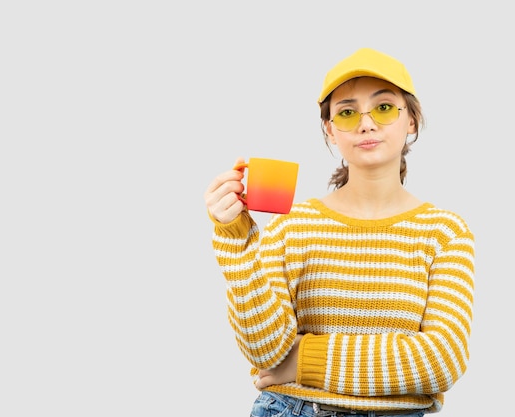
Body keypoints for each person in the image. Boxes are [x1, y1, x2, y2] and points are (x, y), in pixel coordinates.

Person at [203, 48, 475, 417]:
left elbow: (441, 361)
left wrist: (302, 361)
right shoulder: (292, 226)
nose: (366, 124)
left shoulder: (446, 233)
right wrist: (236, 238)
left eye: (383, 108)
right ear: (330, 130)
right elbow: (264, 352)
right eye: (347, 113)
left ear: (411, 120)